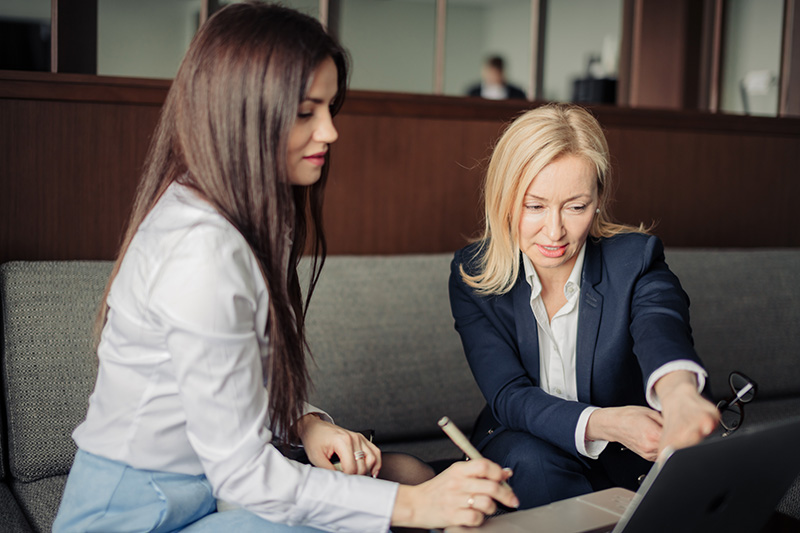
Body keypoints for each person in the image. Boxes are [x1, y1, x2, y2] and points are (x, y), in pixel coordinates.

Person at [52, 4, 517, 532]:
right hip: (137, 516)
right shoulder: (200, 253)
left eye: (329, 108)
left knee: (402, 473)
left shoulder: (239, 220)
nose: (330, 132)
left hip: (201, 496)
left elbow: (233, 389)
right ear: (244, 113)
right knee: (398, 502)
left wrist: (305, 422)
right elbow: (245, 475)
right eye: (306, 111)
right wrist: (417, 507)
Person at [448, 103, 720, 510]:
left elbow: (661, 323)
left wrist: (679, 394)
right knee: (534, 462)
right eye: (534, 206)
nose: (555, 231)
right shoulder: (472, 275)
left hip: (627, 459)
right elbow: (509, 395)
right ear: (504, 201)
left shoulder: (636, 260)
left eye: (575, 207)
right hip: (524, 443)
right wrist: (608, 423)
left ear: (597, 200)